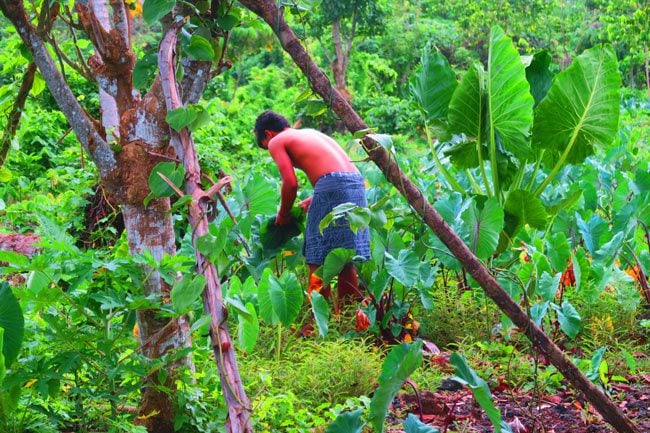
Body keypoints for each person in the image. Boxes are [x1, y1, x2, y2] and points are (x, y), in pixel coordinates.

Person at [254, 110, 370, 312]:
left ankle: (318, 319)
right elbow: (337, 172)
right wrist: (315, 197)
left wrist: (283, 215)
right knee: (345, 256)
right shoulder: (309, 133)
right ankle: (350, 318)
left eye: (266, 146)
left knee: (317, 253)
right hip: (356, 183)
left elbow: (290, 183)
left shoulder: (277, 141)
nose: (270, 150)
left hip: (332, 184)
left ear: (268, 134)